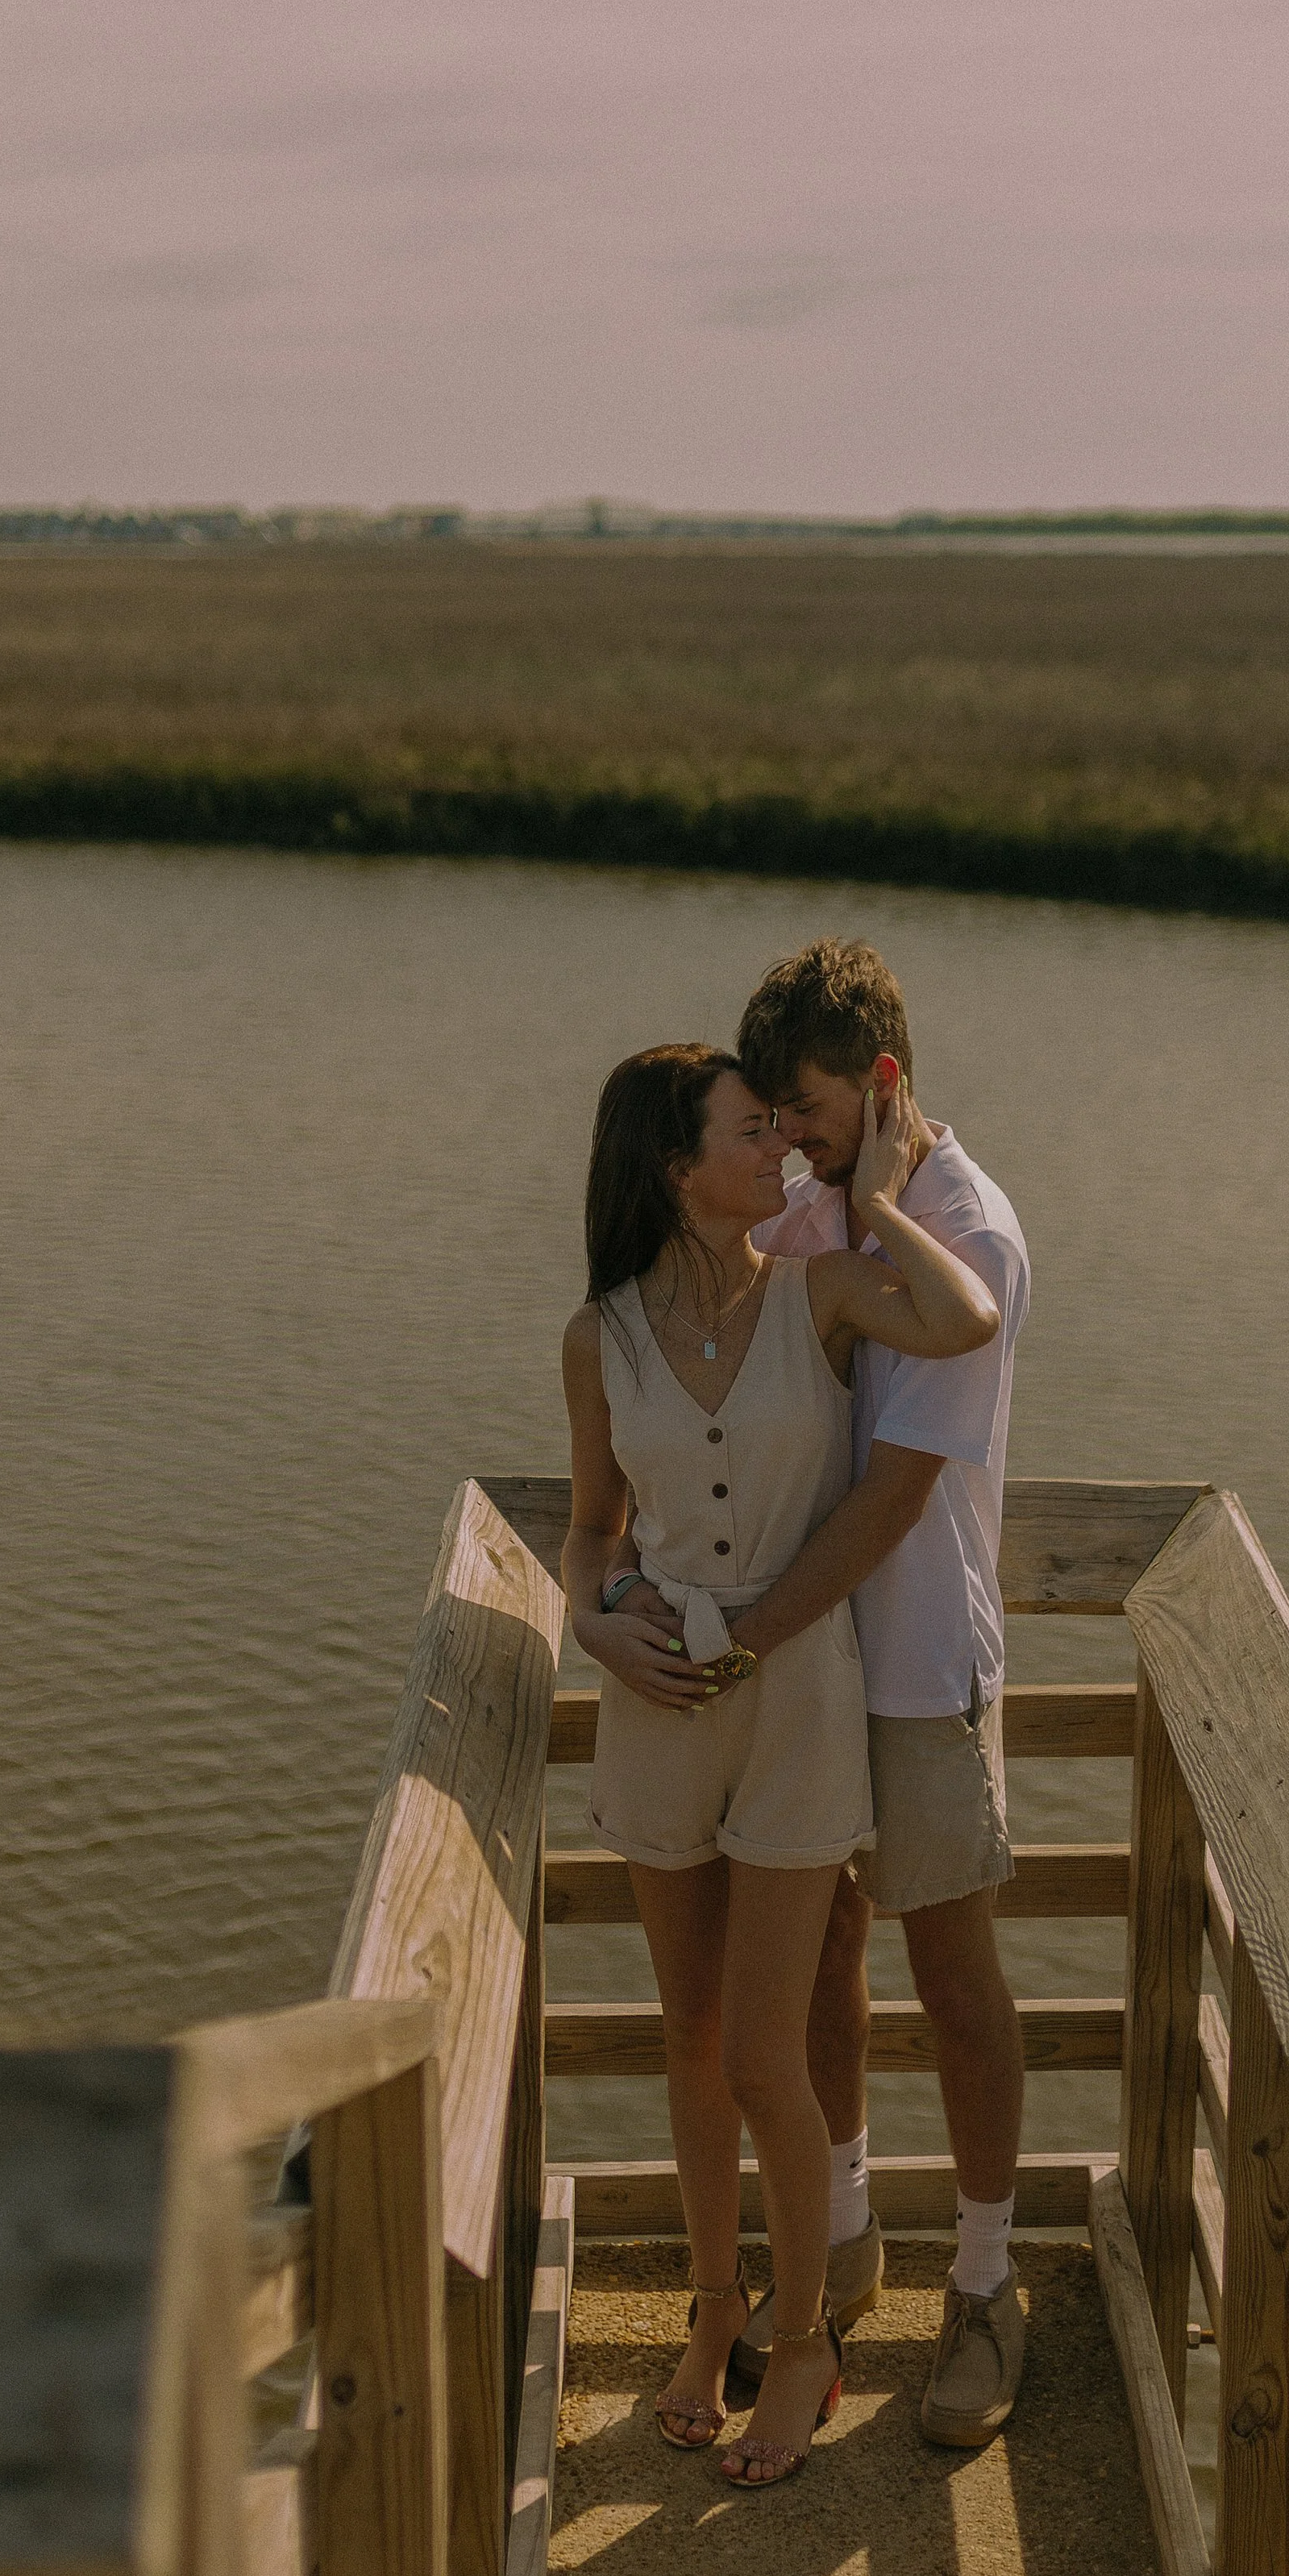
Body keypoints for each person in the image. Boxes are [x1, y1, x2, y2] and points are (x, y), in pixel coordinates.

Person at [561, 1042, 1000, 2489]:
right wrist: (593, 1619)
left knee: (765, 2050)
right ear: (673, 1170)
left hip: (801, 1700)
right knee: (690, 2046)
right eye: (753, 1136)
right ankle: (718, 2307)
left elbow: (966, 1309)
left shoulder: (823, 1286)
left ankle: (806, 2337)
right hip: (658, 1702)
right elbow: (591, 1525)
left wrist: (874, 1189)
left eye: (783, 1130)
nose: (782, 1154)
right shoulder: (598, 1335)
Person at [725, 938, 1033, 2449]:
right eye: (770, 1114)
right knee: (825, 1936)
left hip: (911, 1657)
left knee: (954, 1971)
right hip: (815, 1658)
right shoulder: (803, 1209)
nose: (788, 1135)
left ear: (885, 1083)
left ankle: (985, 2289)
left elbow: (899, 1495)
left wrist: (749, 1629)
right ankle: (840, 2241)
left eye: (809, 1108)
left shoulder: (965, 1223)